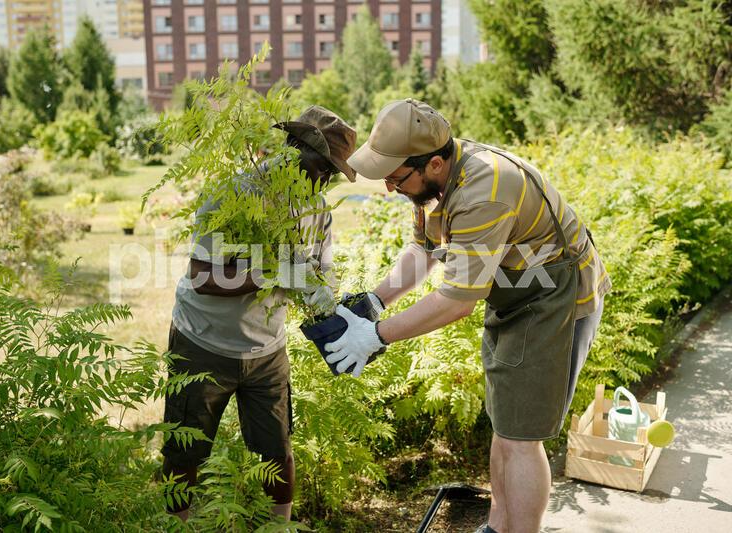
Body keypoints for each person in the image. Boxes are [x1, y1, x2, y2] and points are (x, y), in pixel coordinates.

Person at [325, 99, 611, 533]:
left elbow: (457, 301)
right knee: (505, 422)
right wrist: (375, 302)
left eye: (394, 178)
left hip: (556, 299)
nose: (388, 188)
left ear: (434, 163)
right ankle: (496, 526)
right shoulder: (434, 179)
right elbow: (424, 251)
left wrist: (375, 336)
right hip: (517, 294)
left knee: (521, 437)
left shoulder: (484, 191)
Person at [161, 106, 357, 522]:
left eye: (332, 174)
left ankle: (278, 528)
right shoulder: (235, 194)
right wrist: (271, 274)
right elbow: (202, 276)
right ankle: (174, 526)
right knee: (185, 451)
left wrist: (328, 304)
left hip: (268, 350)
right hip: (204, 342)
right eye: (321, 167)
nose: (324, 180)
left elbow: (320, 272)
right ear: (293, 150)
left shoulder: (317, 210)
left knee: (277, 449)